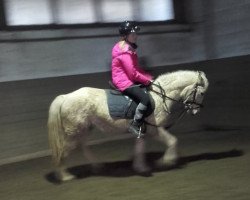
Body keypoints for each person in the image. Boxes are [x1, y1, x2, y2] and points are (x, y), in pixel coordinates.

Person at [111, 21, 153, 137]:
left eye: (136, 33)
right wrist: (146, 80)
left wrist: (148, 77)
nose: (136, 36)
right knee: (145, 99)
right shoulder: (125, 50)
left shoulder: (128, 48)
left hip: (127, 78)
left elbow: (136, 69)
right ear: (125, 36)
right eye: (132, 34)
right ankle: (134, 124)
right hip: (123, 81)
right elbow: (133, 73)